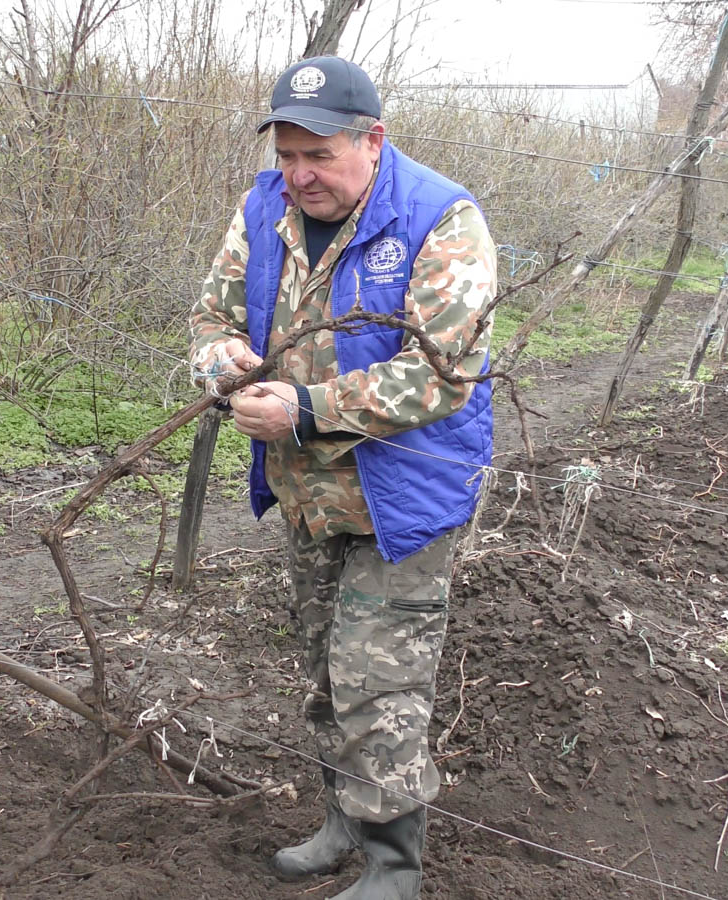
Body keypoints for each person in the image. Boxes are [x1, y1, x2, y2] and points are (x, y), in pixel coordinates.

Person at [189, 56, 496, 900]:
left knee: (377, 677)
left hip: (406, 495)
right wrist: (223, 365)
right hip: (307, 494)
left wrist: (309, 407)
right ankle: (343, 823)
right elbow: (210, 317)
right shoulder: (262, 208)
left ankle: (394, 864)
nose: (299, 175)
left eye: (318, 156)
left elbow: (442, 374)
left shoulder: (443, 220)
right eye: (288, 154)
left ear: (374, 140)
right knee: (324, 670)